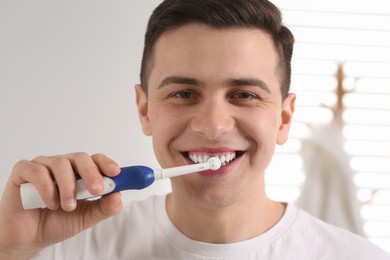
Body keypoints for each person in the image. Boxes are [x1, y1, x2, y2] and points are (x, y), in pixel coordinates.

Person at [0, 0, 389, 259]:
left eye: (244, 94)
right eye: (184, 93)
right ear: (145, 109)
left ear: (283, 119)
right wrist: (11, 248)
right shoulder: (65, 249)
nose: (212, 126)